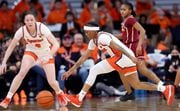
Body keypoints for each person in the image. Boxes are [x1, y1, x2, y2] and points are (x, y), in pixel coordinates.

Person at [62, 22, 174, 107]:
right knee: (136, 84)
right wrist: (70, 70)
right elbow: (83, 57)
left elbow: (118, 47)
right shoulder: (93, 41)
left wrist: (131, 57)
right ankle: (164, 88)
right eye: (85, 32)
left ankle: (79, 98)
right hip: (123, 59)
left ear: (94, 31)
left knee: (94, 70)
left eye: (87, 32)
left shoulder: (102, 37)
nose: (86, 34)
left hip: (122, 57)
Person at [0, 11, 67, 109]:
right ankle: (8, 98)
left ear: (35, 20)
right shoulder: (21, 31)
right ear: (24, 21)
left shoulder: (42, 28)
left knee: (52, 81)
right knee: (21, 73)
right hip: (31, 51)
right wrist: (4, 62)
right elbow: (10, 47)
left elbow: (56, 44)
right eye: (27, 20)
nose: (30, 22)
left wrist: (48, 55)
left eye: (31, 20)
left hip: (45, 52)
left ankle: (59, 92)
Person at [116, 2, 166, 101]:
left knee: (129, 69)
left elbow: (143, 31)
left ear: (130, 10)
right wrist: (110, 36)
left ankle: (162, 86)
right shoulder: (126, 21)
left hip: (133, 47)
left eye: (124, 9)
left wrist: (139, 45)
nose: (122, 11)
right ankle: (162, 86)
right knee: (138, 70)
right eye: (121, 9)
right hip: (128, 47)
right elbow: (124, 36)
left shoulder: (130, 19)